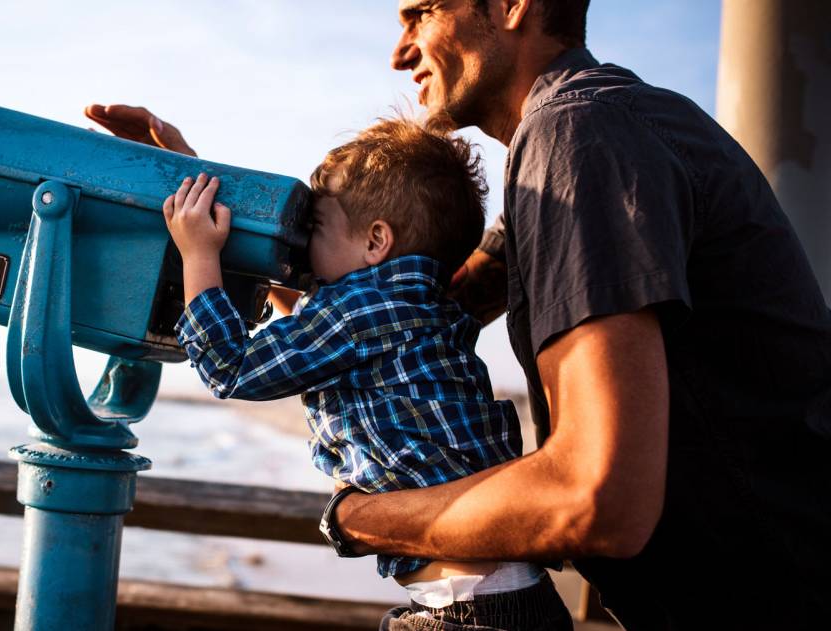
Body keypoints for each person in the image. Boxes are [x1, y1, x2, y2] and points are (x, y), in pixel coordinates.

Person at [87, 1, 831, 627]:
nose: (399, 48)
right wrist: (221, 211)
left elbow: (599, 499)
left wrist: (357, 519)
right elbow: (389, 311)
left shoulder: (581, 140)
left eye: (422, 10)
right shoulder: (573, 152)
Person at [163, 118, 572, 630]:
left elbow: (233, 367)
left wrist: (199, 255)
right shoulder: (420, 307)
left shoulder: (359, 311)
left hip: (464, 612)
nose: (302, 245)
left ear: (377, 240)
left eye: (315, 228)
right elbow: (330, 350)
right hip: (514, 597)